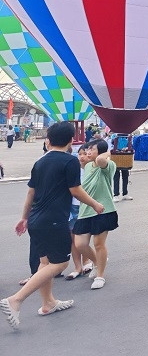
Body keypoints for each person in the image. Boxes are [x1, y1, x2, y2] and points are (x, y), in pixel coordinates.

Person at [1, 122, 104, 330]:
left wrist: (24, 217)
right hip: (54, 220)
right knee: (60, 264)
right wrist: (94, 203)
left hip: (36, 219)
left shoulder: (40, 161)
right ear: (70, 141)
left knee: (45, 262)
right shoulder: (70, 161)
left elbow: (31, 192)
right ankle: (16, 300)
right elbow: (75, 190)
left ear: (48, 139)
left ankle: (48, 303)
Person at [71, 139, 118, 290]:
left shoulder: (108, 165)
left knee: (99, 244)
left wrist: (108, 151)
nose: (88, 152)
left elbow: (100, 160)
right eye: (87, 149)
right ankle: (98, 262)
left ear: (102, 151)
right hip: (86, 210)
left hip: (104, 209)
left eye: (92, 149)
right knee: (80, 244)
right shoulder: (88, 165)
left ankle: (100, 275)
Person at [64, 145, 94, 281]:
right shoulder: (74, 168)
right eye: (79, 154)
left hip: (87, 208)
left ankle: (88, 261)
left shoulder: (94, 169)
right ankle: (77, 267)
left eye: (85, 153)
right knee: (73, 239)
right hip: (73, 208)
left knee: (82, 240)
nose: (82, 156)